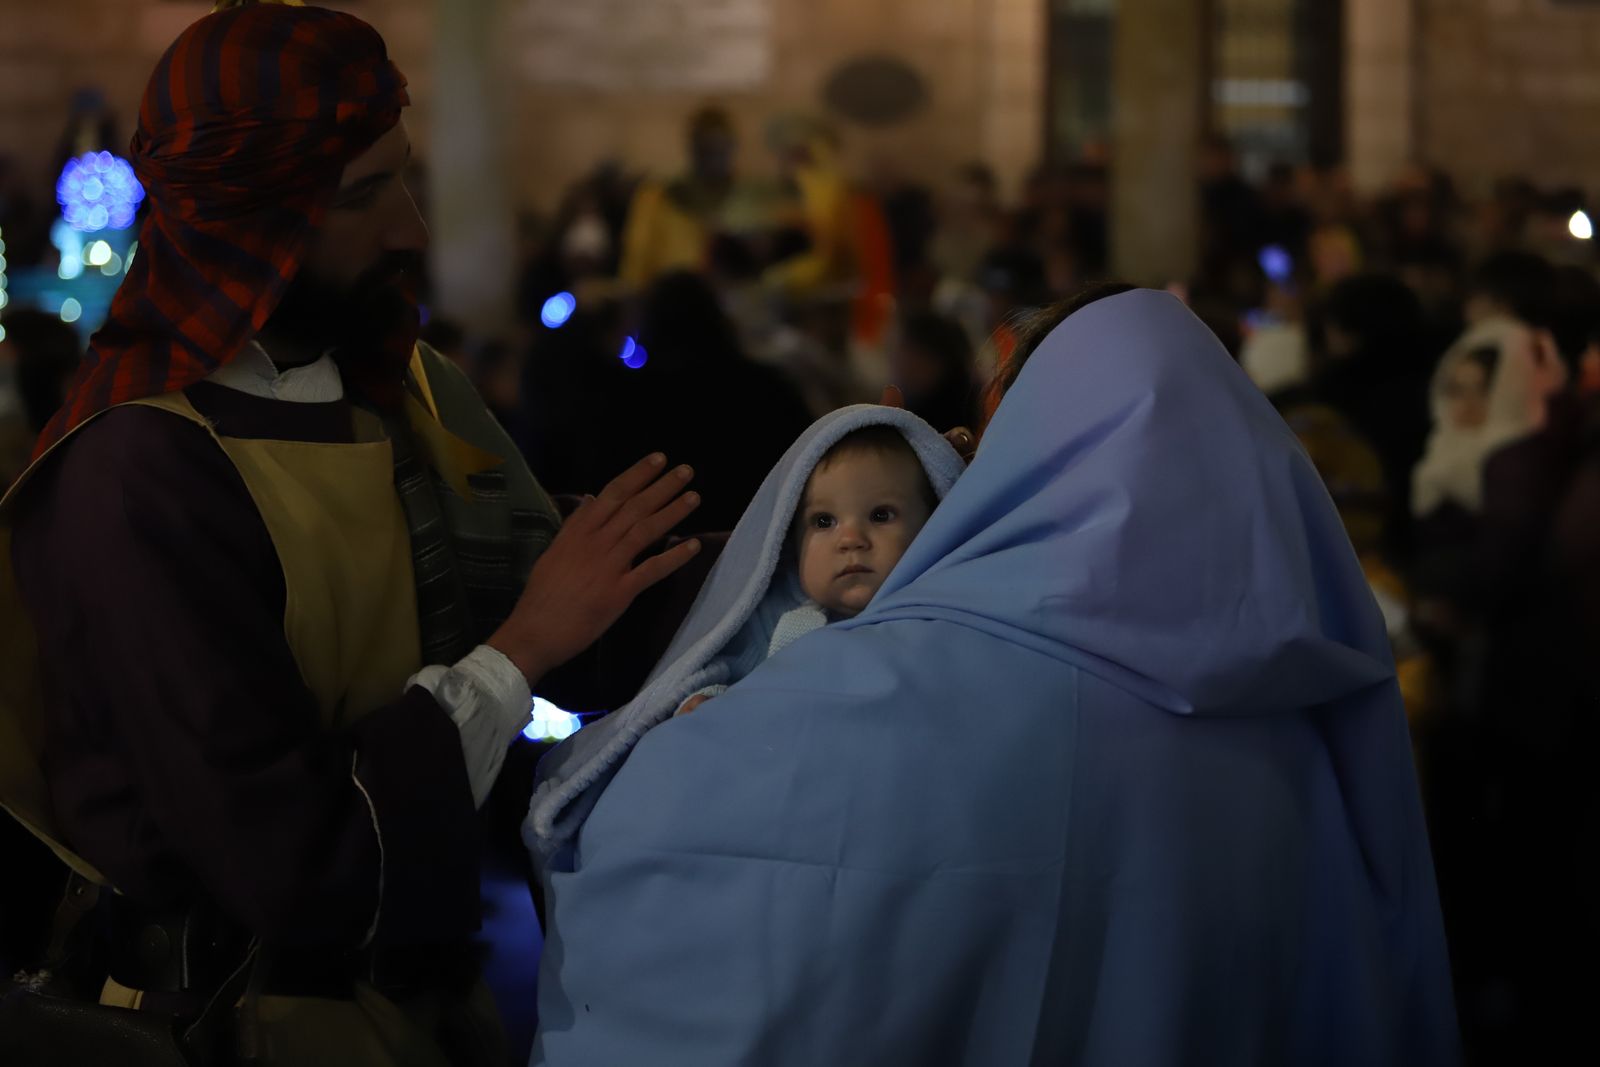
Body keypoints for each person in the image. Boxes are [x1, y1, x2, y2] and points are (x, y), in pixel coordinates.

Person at [0, 4, 704, 1065]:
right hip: (231, 1021)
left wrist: (861, 524)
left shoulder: (401, 386)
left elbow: (582, 596)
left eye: (402, 179)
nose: (411, 230)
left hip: (414, 1004)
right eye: (363, 195)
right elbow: (290, 858)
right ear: (250, 219)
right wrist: (518, 654)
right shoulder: (138, 470)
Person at [524, 286, 1458, 1066]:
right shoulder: (1306, 721)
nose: (968, 453)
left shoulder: (877, 688)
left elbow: (661, 848)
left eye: (992, 431)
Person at [668, 420, 962, 719]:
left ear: (934, 526)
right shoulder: (771, 618)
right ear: (791, 540)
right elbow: (730, 680)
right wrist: (708, 700)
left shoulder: (947, 616)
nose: (850, 539)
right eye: (823, 521)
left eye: (880, 515)